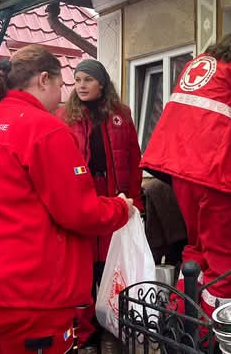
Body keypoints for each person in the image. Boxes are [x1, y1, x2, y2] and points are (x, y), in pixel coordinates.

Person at [0, 45, 133, 354]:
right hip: (24, 294)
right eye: (60, 84)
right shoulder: (45, 129)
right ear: (44, 79)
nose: (62, 94)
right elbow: (79, 212)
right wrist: (122, 208)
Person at [140, 20, 231, 316]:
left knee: (196, 248)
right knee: (226, 256)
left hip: (181, 172)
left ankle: (179, 320)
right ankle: (210, 331)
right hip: (215, 173)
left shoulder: (200, 64)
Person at [56, 59, 143, 352]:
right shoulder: (63, 117)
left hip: (113, 197)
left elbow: (134, 160)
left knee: (111, 264)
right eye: (77, 80)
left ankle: (114, 325)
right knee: (83, 266)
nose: (80, 85)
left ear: (101, 83)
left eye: (87, 80)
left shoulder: (121, 114)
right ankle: (86, 332)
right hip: (82, 195)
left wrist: (135, 202)